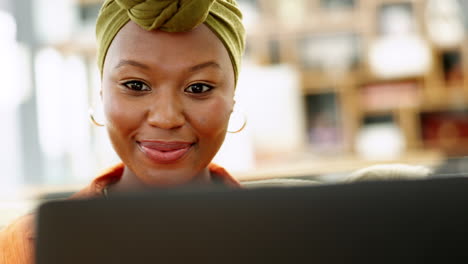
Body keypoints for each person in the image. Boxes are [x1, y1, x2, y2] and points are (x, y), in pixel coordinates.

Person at [0, 0, 245, 263]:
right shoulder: (27, 247)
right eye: (135, 85)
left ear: (232, 98)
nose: (166, 118)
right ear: (102, 94)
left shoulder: (285, 232)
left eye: (198, 88)